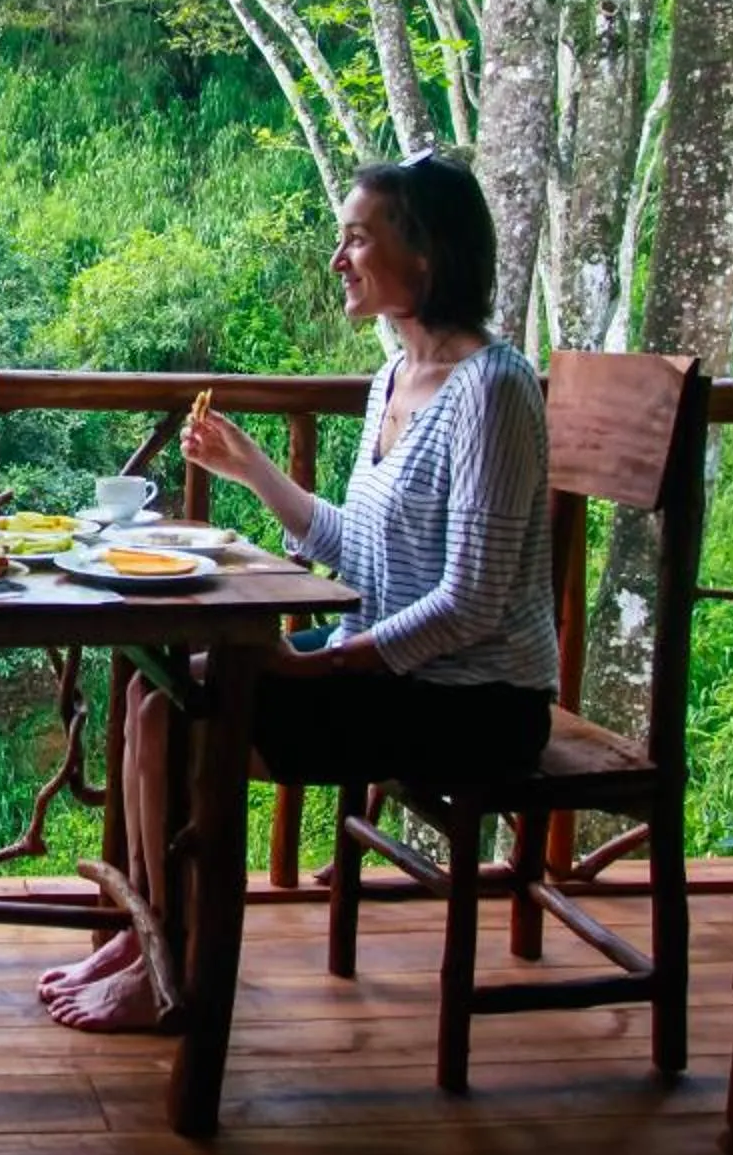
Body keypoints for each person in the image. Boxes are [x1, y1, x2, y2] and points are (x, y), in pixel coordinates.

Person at [43, 150, 559, 1032]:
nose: (337, 258)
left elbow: (472, 602)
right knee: (148, 691)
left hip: (476, 700)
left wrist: (317, 667)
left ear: (427, 253)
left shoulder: (494, 391)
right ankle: (147, 938)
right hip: (392, 668)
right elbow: (357, 552)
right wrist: (252, 470)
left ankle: (179, 971)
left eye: (357, 238)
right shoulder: (393, 378)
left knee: (173, 719)